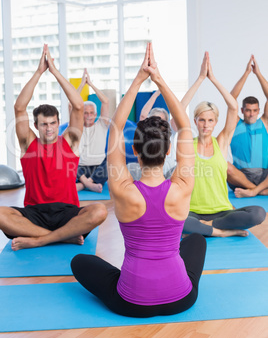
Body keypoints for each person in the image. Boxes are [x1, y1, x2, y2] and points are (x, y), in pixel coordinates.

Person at [71, 42, 207, 318]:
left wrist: (138, 79)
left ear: (134, 151)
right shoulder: (183, 185)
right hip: (181, 298)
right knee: (197, 242)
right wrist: (158, 78)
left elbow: (117, 127)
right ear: (169, 150)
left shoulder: (122, 189)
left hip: (132, 301)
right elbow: (183, 126)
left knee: (79, 261)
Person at [0, 44, 107, 251]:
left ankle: (39, 240)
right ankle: (61, 237)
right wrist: (40, 72)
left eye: (52, 123)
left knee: (100, 211)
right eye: (44, 124)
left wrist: (55, 71)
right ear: (36, 126)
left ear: (59, 123)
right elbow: (19, 107)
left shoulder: (70, 142)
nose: (49, 129)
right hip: (35, 214)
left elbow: (78, 106)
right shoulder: (28, 143)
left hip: (67, 213)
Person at [181, 52, 265, 237]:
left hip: (221, 210)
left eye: (210, 120)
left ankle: (208, 226)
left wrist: (213, 79)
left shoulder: (221, 142)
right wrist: (201, 78)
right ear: (195, 121)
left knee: (258, 213)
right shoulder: (188, 144)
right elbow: (180, 108)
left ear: (216, 122)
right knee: (177, 219)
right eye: (201, 120)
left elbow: (233, 107)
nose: (206, 125)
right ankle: (223, 232)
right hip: (193, 210)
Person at [227, 56, 268, 198]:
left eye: (255, 110)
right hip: (241, 176)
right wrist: (246, 74)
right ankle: (258, 190)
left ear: (259, 111)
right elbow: (231, 99)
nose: (251, 114)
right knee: (225, 167)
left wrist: (258, 74)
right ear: (242, 110)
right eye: (248, 110)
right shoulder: (236, 123)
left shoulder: (264, 123)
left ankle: (254, 191)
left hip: (264, 175)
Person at [127, 90, 177, 180]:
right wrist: (156, 94)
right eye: (154, 120)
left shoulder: (169, 130)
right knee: (130, 167)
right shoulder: (147, 131)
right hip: (150, 170)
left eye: (161, 120)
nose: (158, 123)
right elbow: (143, 116)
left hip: (168, 170)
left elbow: (178, 110)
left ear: (166, 122)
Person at [75, 68, 109, 193]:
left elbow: (105, 101)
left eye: (91, 113)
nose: (89, 116)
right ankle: (90, 184)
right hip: (81, 169)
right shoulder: (77, 125)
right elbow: (71, 104)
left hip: (98, 168)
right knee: (68, 161)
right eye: (85, 113)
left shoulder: (102, 124)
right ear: (81, 114)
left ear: (96, 114)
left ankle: (83, 185)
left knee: (110, 161)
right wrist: (82, 85)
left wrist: (91, 84)